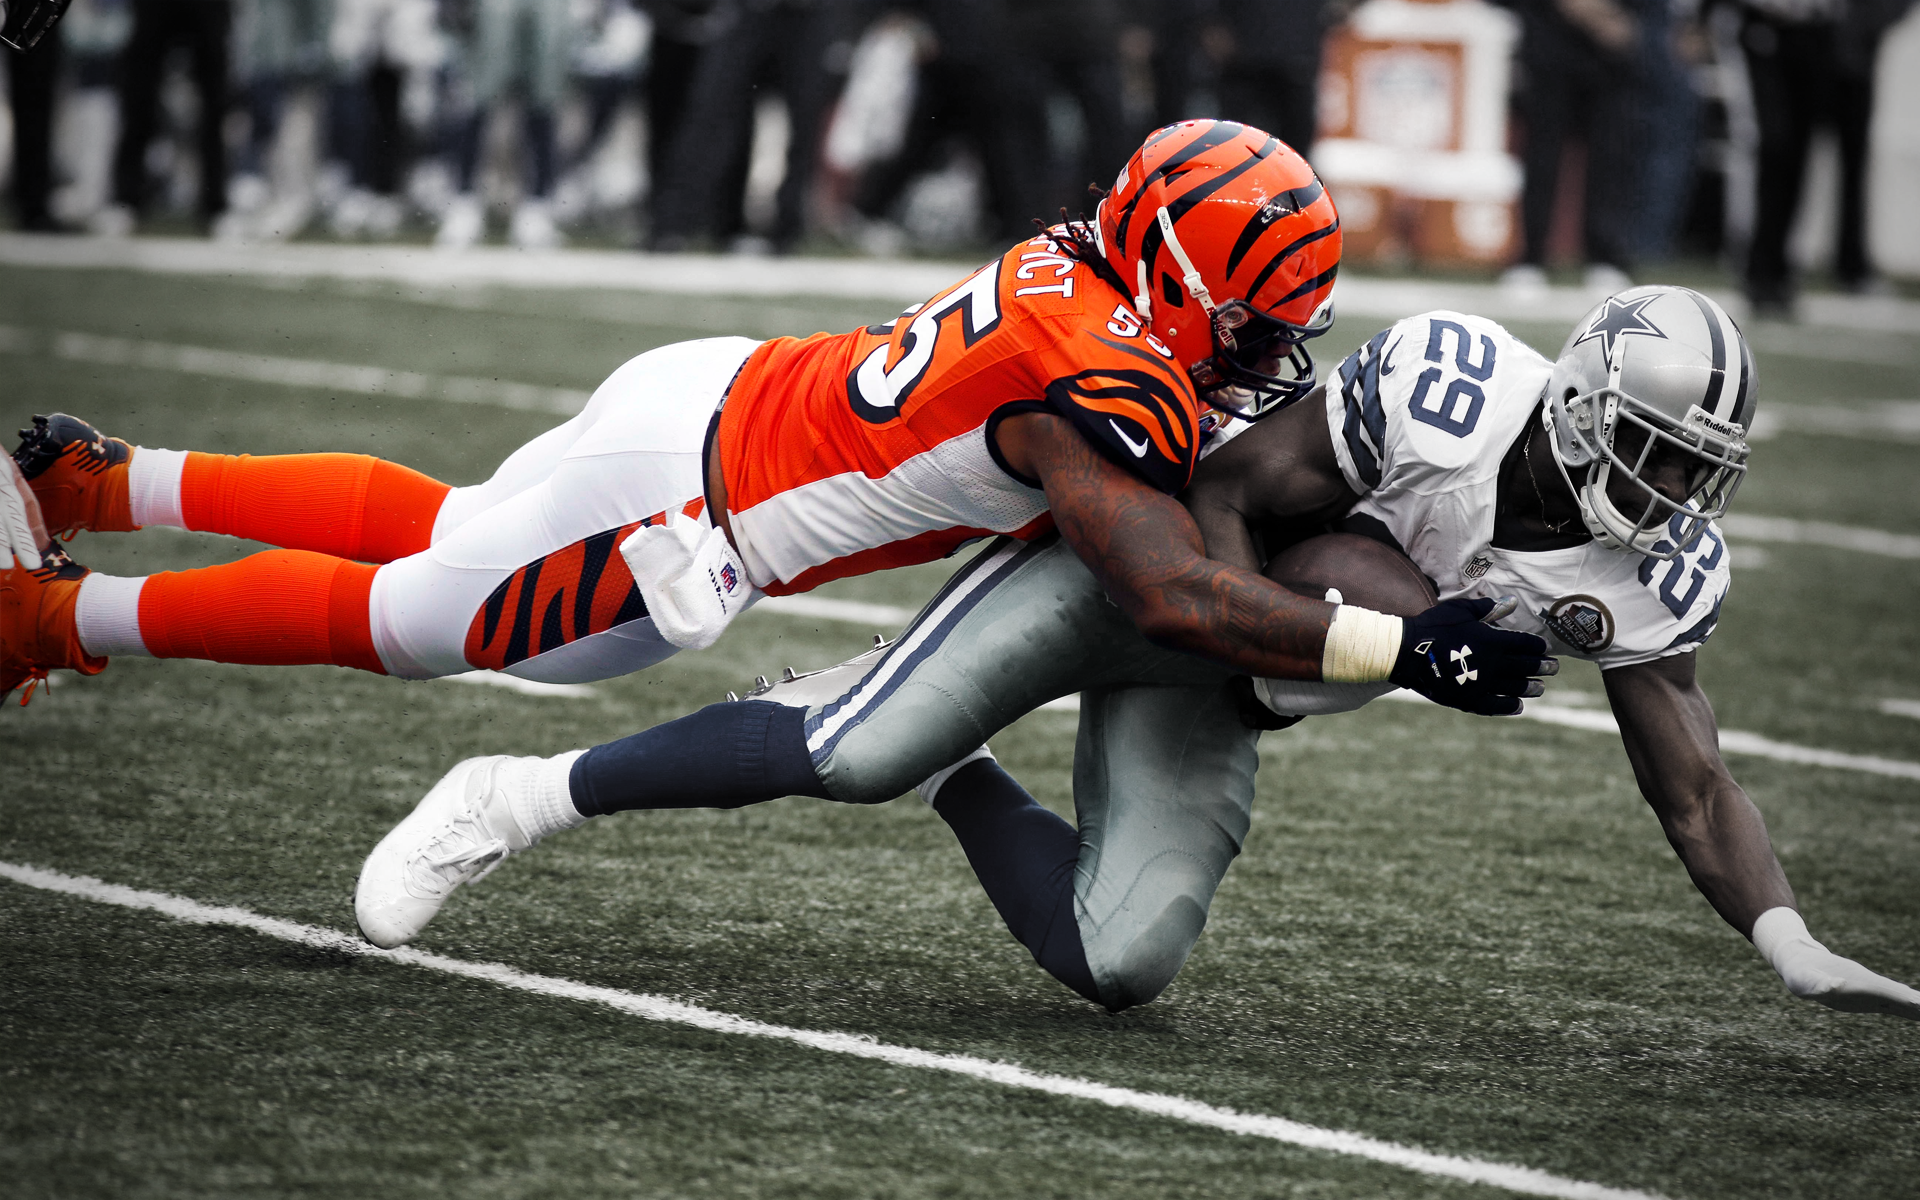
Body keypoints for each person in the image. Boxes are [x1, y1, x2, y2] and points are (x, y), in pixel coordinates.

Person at [353, 284, 1920, 1023]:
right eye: (1652, 446)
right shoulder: (1452, 389)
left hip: (1251, 668)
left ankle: (959, 761)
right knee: (851, 752)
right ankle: (519, 791)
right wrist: (1354, 638)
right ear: (1578, 400)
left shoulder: (1647, 567)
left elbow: (1693, 777)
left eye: (1694, 463)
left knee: (1119, 962)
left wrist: (1790, 940)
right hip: (1151, 576)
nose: (1672, 492)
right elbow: (1233, 499)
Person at [2, 123, 1549, 722]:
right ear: (1181, 282)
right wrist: (1402, 649)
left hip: (709, 405)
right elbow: (1171, 590)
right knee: (415, 618)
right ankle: (56, 619)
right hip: (691, 510)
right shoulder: (1109, 385)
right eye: (1259, 316)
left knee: (448, 523)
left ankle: (98, 477)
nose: (1272, 349)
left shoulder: (1082, 279)